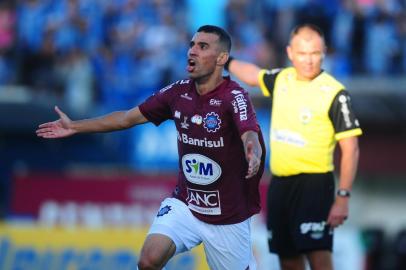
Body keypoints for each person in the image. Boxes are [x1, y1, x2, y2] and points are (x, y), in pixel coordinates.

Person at [36, 25, 265, 270]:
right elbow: (126, 118)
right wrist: (75, 126)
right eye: (192, 45)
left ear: (221, 59)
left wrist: (253, 150)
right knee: (148, 260)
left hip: (227, 216)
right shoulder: (177, 93)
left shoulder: (234, 95)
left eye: (203, 46)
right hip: (186, 204)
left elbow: (249, 132)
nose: (193, 51)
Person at [225, 23, 362, 270]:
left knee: (318, 257)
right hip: (280, 184)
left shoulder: (335, 93)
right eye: (302, 53)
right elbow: (253, 74)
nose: (308, 60)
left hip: (315, 185)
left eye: (315, 53)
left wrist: (343, 197)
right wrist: (227, 61)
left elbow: (351, 148)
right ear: (290, 53)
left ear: (324, 52)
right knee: (287, 260)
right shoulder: (282, 79)